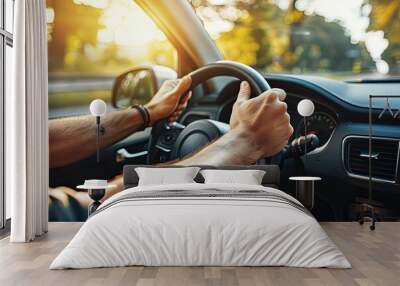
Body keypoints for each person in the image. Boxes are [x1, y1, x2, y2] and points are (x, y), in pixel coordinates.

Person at [49, 75, 293, 220]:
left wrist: (147, 113)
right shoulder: (32, 217)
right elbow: (95, 210)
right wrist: (245, 140)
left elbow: (41, 142)